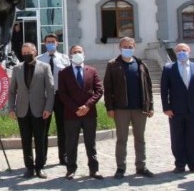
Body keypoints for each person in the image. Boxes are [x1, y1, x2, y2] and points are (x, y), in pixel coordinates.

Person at [103, 37, 155, 179]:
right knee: (122, 139)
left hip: (140, 108)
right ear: (120, 48)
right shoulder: (113, 64)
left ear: (134, 47)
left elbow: (148, 87)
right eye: (125, 46)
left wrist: (150, 106)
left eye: (130, 46)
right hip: (121, 108)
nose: (128, 48)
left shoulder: (141, 64)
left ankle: (141, 166)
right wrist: (110, 107)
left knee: (140, 139)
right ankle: (121, 168)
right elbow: (108, 88)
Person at [57, 45, 104, 180]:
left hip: (89, 113)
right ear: (70, 55)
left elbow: (99, 90)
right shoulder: (64, 73)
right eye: (74, 52)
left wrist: (87, 106)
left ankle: (94, 170)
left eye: (79, 52)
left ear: (84, 54)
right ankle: (71, 169)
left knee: (91, 143)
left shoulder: (92, 71)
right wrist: (76, 108)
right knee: (71, 143)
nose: (77, 54)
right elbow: (62, 93)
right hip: (72, 114)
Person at [160, 43, 194, 175]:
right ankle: (180, 163)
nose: (182, 52)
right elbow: (164, 90)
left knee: (193, 137)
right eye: (179, 51)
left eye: (184, 50)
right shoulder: (169, 68)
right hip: (175, 110)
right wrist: (166, 107)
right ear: (175, 53)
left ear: (189, 52)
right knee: (177, 137)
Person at [8, 42, 54, 179]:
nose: (26, 54)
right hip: (22, 110)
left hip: (40, 110)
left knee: (40, 140)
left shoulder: (45, 67)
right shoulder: (16, 69)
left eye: (29, 52)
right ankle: (29, 167)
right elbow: (12, 91)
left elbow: (50, 90)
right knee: (25, 140)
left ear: (35, 51)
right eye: (24, 52)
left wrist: (48, 108)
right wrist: (11, 108)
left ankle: (40, 167)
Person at [36, 33, 70, 166]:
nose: (51, 43)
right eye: (48, 41)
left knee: (62, 128)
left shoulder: (65, 58)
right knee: (43, 129)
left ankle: (64, 156)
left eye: (53, 41)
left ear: (57, 43)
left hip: (60, 97)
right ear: (44, 44)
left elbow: (68, 78)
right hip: (44, 98)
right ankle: (42, 158)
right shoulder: (39, 59)